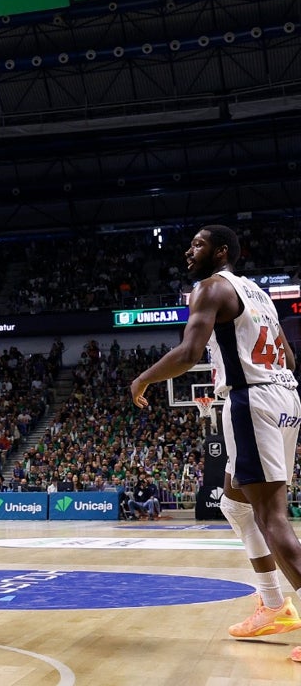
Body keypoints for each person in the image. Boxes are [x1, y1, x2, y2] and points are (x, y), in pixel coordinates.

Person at [131, 225, 301, 654]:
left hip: (252, 403)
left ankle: (281, 603)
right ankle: (273, 605)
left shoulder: (209, 288)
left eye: (199, 244)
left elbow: (189, 354)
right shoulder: (257, 293)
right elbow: (290, 355)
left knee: (271, 518)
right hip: (284, 395)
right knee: (234, 504)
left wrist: (143, 378)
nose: (190, 250)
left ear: (221, 251)